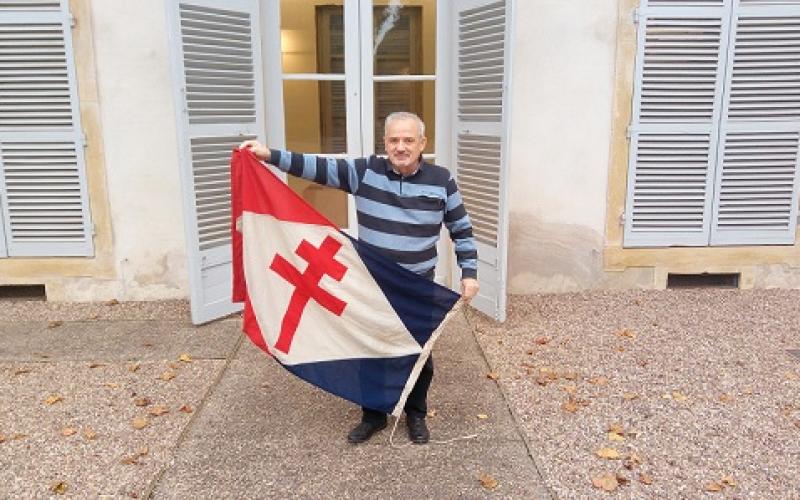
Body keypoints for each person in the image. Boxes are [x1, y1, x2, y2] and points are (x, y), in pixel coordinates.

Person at [239, 111, 479, 444]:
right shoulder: (365, 172)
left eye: (409, 140)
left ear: (423, 143)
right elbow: (317, 168)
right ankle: (373, 415)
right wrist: (270, 156)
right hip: (373, 284)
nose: (401, 147)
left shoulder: (442, 180)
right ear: (385, 143)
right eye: (394, 140)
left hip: (417, 285)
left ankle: (416, 414)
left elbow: (461, 229)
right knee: (370, 348)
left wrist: (470, 272)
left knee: (419, 353)